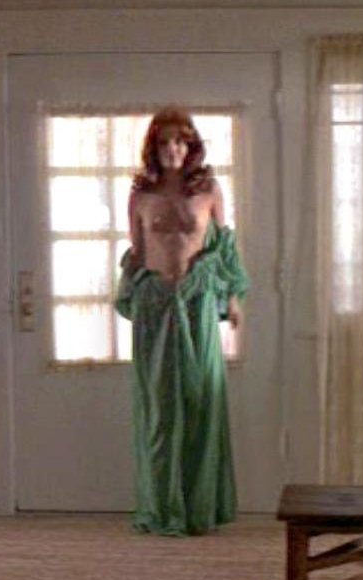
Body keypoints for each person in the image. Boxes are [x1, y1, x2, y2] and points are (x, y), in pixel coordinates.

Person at [115, 108, 249, 536]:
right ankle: (161, 507)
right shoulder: (140, 194)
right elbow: (138, 252)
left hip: (197, 301)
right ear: (153, 147)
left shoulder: (208, 190)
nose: (172, 149)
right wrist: (129, 295)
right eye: (164, 141)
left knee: (200, 400)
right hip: (155, 304)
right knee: (159, 407)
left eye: (180, 141)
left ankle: (198, 508)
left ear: (191, 147)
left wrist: (232, 297)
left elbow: (223, 248)